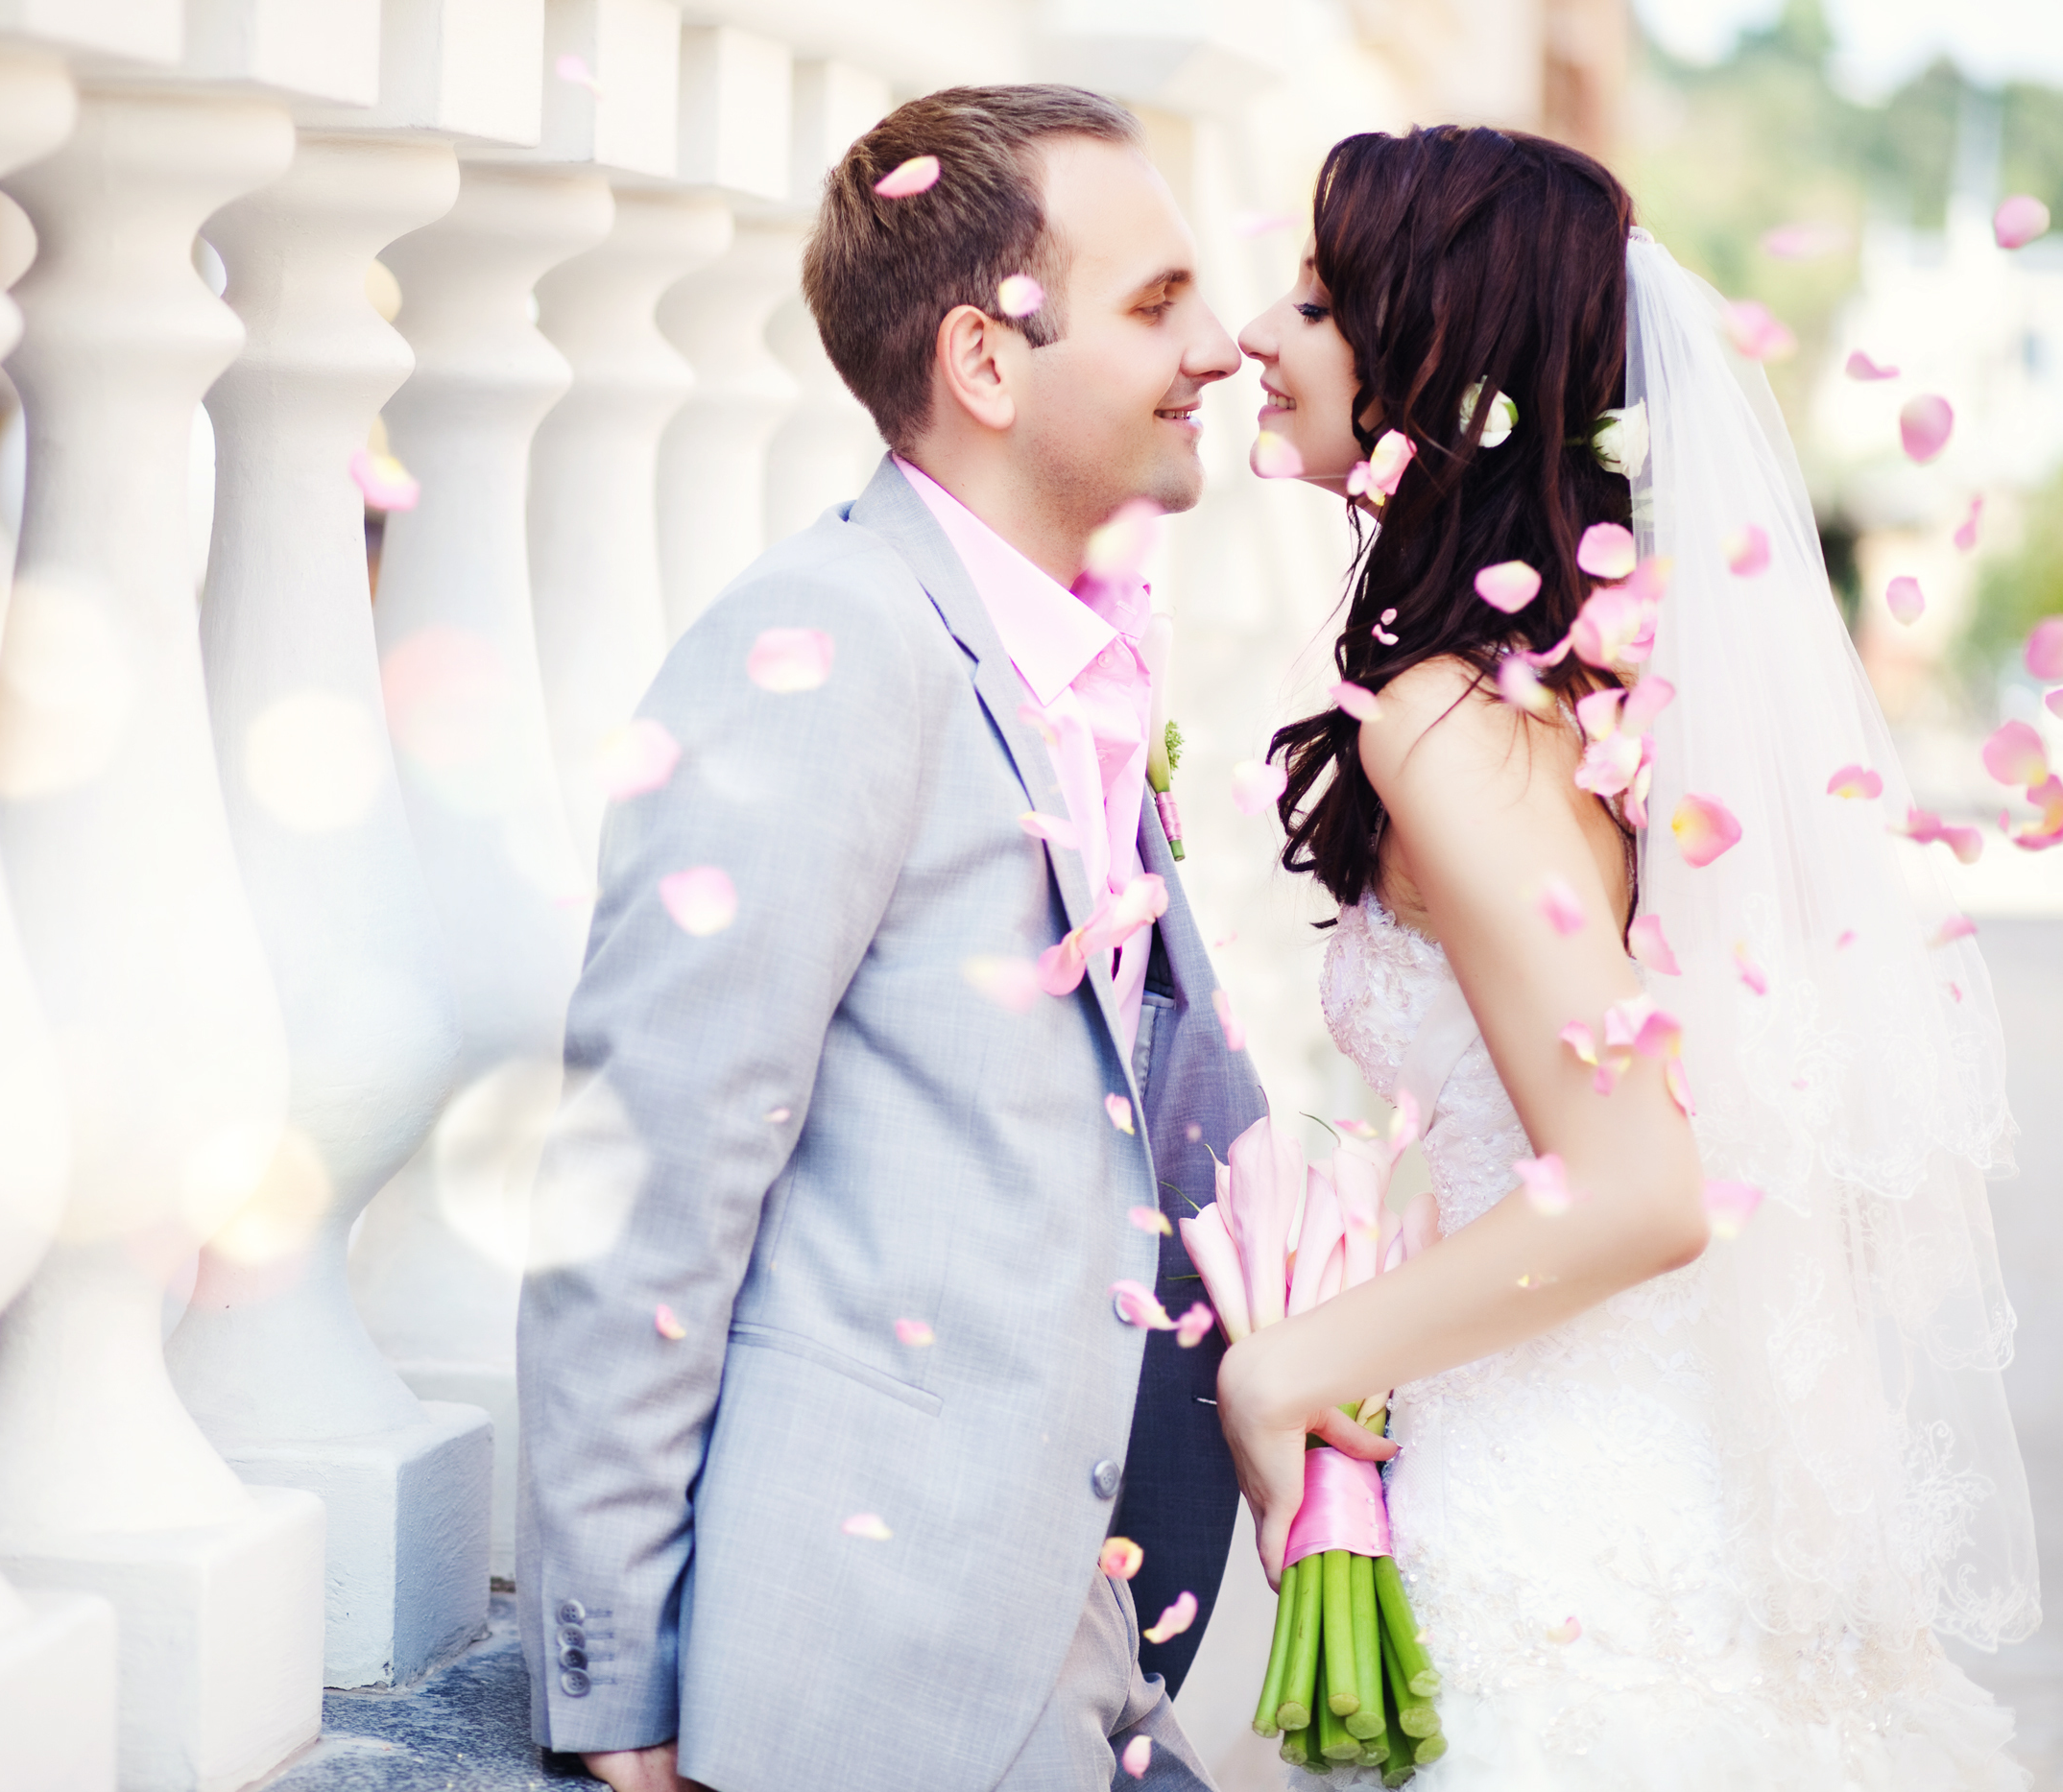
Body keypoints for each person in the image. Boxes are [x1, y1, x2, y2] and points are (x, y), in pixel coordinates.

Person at [1227, 124, 2038, 1786]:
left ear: (1427, 356)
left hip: (1565, 1521)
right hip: (1628, 1447)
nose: (1256, 334)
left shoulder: (1449, 723)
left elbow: (1635, 1186)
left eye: (1314, 303)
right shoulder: (1580, 695)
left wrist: (1295, 1359)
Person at [516, 85, 1302, 1792]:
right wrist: (615, 1688)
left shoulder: (1065, 652)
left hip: (1063, 1642)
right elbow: (651, 1168)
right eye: (1156, 301)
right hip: (867, 1685)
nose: (1224, 347)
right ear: (988, 362)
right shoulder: (823, 645)